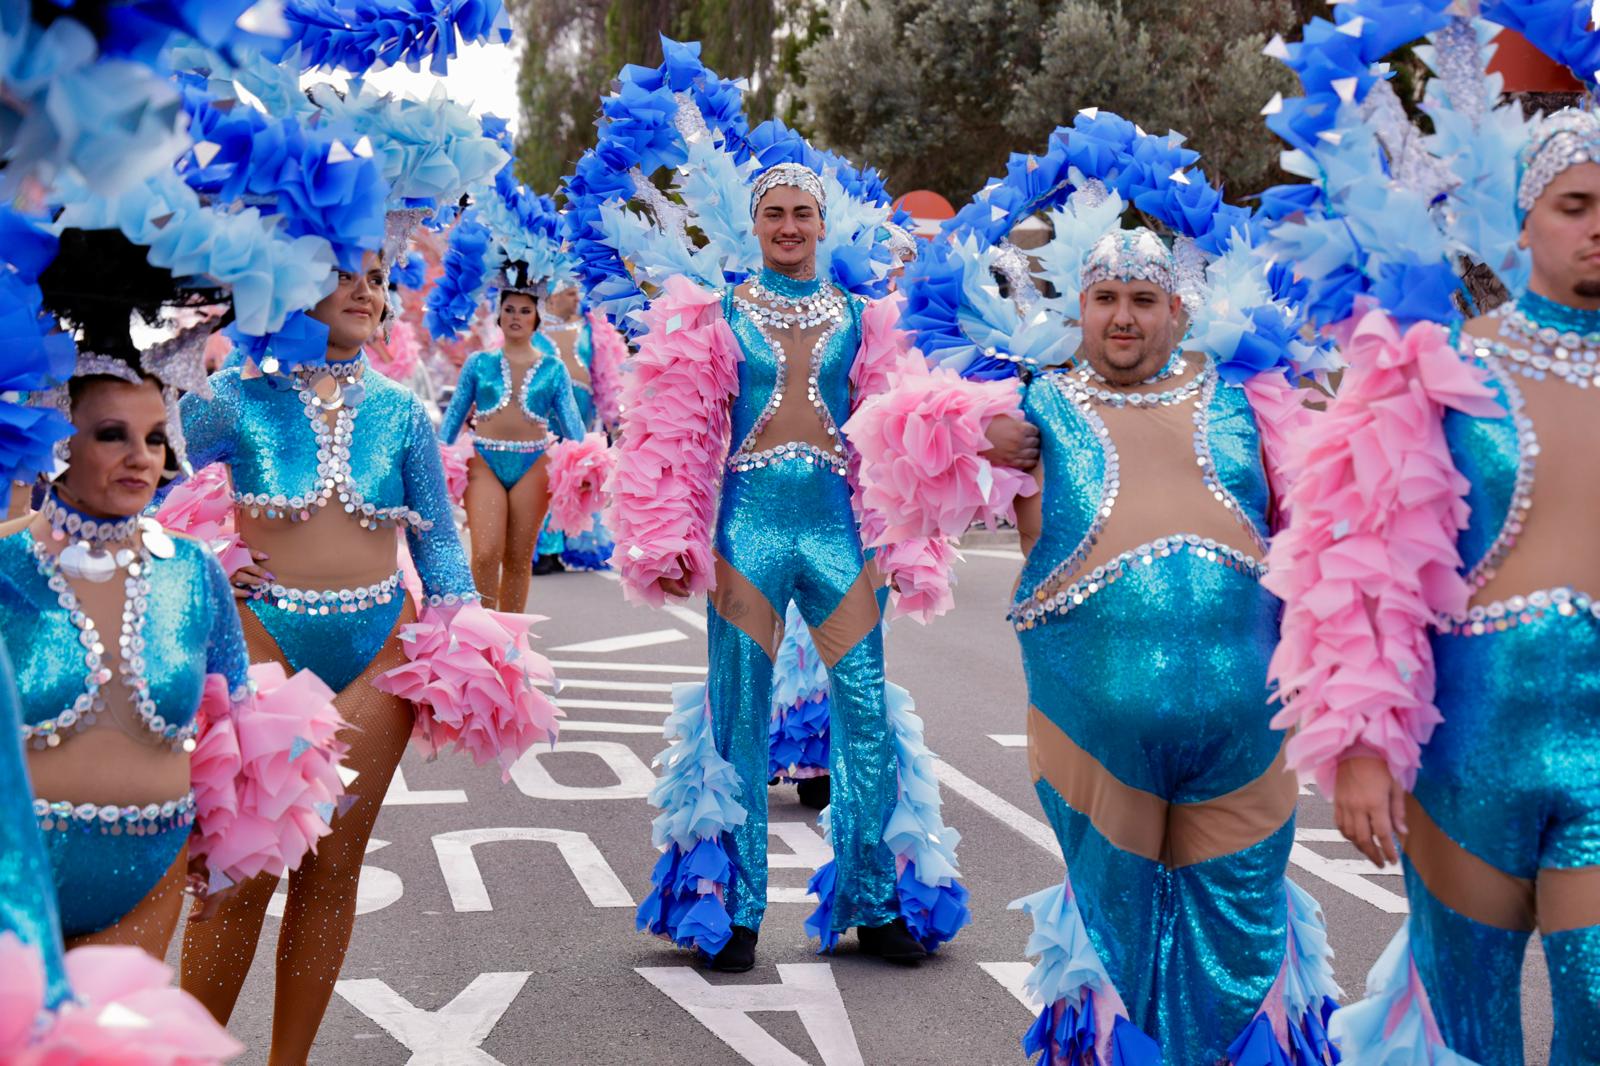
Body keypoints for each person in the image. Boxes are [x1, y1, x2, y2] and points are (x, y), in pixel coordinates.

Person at [850, 228, 1338, 1060]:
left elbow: (1335, 524)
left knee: (1246, 940)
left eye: (1143, 301)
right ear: (1077, 308)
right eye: (1105, 299)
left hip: (1247, 735)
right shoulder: (1030, 406)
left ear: (1179, 312)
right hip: (1095, 742)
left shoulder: (1247, 399)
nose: (1123, 318)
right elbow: (890, 436)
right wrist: (973, 429)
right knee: (1119, 944)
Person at [1271, 107, 1600, 1063]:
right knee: (1468, 1032)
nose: (1597, 226)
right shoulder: (1442, 365)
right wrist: (1363, 748)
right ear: (1524, 222)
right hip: (1469, 750)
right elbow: (1355, 555)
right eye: (1576, 205)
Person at [177, 251, 558, 1061]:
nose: (365, 289)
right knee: (243, 871)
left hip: (376, 653)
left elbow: (439, 539)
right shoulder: (228, 401)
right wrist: (209, 555)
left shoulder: (402, 411)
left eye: (380, 277)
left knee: (329, 866)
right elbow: (157, 498)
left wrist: (463, 627)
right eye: (344, 269)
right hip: (262, 648)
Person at [618, 163, 986, 972]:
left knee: (862, 713)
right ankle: (737, 912)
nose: (789, 227)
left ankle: (874, 903)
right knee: (739, 714)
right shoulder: (717, 315)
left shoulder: (863, 318)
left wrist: (900, 536)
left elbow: (897, 434)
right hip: (746, 529)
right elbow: (676, 434)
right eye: (775, 215)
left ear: (824, 226)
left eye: (802, 215)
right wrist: (670, 534)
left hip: (835, 531)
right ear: (756, 226)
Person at [438, 281, 584, 608]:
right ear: (499, 316)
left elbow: (573, 428)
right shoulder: (478, 363)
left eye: (525, 311)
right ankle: (483, 641)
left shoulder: (554, 368)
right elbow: (453, 419)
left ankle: (510, 645)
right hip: (483, 461)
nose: (516, 317)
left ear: (536, 318)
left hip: (533, 465)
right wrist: (435, 458)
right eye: (509, 310)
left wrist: (586, 465)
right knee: (486, 553)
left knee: (518, 559)